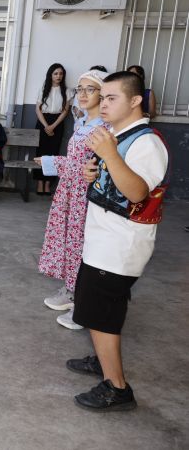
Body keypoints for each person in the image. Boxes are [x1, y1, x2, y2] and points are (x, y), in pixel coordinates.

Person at [66, 71, 168, 412]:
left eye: (112, 98)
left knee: (101, 315)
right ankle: (102, 360)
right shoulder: (119, 136)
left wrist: (109, 156)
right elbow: (115, 181)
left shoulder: (147, 142)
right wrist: (93, 173)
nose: (103, 103)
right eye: (103, 96)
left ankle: (117, 387)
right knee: (94, 308)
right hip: (102, 240)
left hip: (119, 246)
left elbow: (138, 191)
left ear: (135, 100)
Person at [35, 70, 109, 329]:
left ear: (103, 94)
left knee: (83, 245)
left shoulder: (105, 128)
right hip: (70, 193)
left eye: (90, 89)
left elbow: (93, 167)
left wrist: (52, 162)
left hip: (86, 196)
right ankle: (71, 290)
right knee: (70, 241)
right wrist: (51, 162)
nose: (83, 94)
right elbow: (76, 161)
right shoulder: (83, 123)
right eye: (80, 89)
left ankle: (84, 305)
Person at [33, 63, 71, 195]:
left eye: (61, 74)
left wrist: (53, 126)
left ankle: (48, 183)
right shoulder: (43, 89)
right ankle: (40, 182)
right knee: (41, 152)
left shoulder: (66, 91)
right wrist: (46, 126)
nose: (58, 76)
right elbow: (38, 109)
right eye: (55, 73)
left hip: (58, 123)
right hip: (43, 122)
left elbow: (65, 111)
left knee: (53, 153)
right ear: (50, 75)